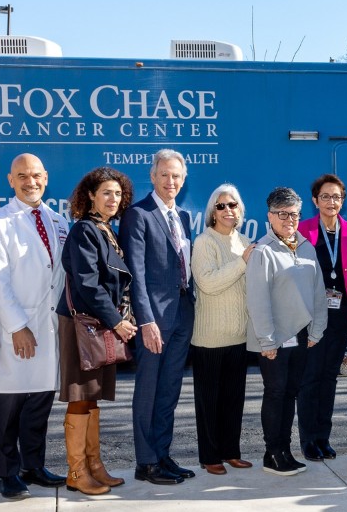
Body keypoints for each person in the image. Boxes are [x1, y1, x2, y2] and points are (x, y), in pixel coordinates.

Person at [0, 153, 68, 499]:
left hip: (50, 325)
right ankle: (7, 473)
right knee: (11, 403)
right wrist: (17, 326)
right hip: (18, 326)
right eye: (22, 176)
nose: (30, 182)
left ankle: (33, 466)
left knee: (40, 402)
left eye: (35, 175)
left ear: (45, 177)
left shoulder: (57, 220)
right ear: (10, 180)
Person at [56, 167, 139, 495]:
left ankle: (94, 465)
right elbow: (88, 284)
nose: (113, 199)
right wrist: (117, 321)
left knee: (91, 399)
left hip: (99, 325)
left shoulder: (105, 229)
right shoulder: (84, 231)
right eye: (106, 192)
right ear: (90, 195)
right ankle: (76, 472)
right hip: (85, 326)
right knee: (80, 398)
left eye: (118, 194)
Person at [120, 149, 197, 485]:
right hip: (154, 320)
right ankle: (146, 462)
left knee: (169, 391)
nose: (171, 181)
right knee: (148, 390)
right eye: (164, 175)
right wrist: (146, 320)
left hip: (182, 314)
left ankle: (163, 455)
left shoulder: (183, 216)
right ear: (152, 176)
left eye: (177, 176)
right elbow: (134, 272)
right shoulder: (139, 215)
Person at [246, 187, 328, 476]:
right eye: (282, 214)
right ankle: (273, 452)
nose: (289, 219)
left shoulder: (306, 247)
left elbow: (319, 292)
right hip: (275, 340)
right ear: (270, 216)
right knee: (276, 393)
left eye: (293, 214)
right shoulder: (263, 252)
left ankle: (286, 450)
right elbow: (258, 299)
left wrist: (317, 329)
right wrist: (267, 340)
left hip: (302, 336)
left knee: (291, 393)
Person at [190, 184, 255, 475]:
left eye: (233, 205)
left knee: (233, 400)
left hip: (239, 336)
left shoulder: (245, 241)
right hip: (210, 338)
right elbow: (208, 283)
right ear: (212, 212)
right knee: (209, 403)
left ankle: (231, 451)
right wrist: (242, 263)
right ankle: (210, 456)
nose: (228, 210)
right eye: (221, 206)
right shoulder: (204, 242)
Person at [296, 174, 347, 462]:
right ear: (315, 200)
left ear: (342, 201)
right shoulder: (303, 229)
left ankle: (324, 437)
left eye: (336, 197)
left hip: (342, 315)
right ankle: (308, 440)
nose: (331, 202)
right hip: (311, 315)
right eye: (326, 196)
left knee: (329, 378)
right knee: (310, 378)